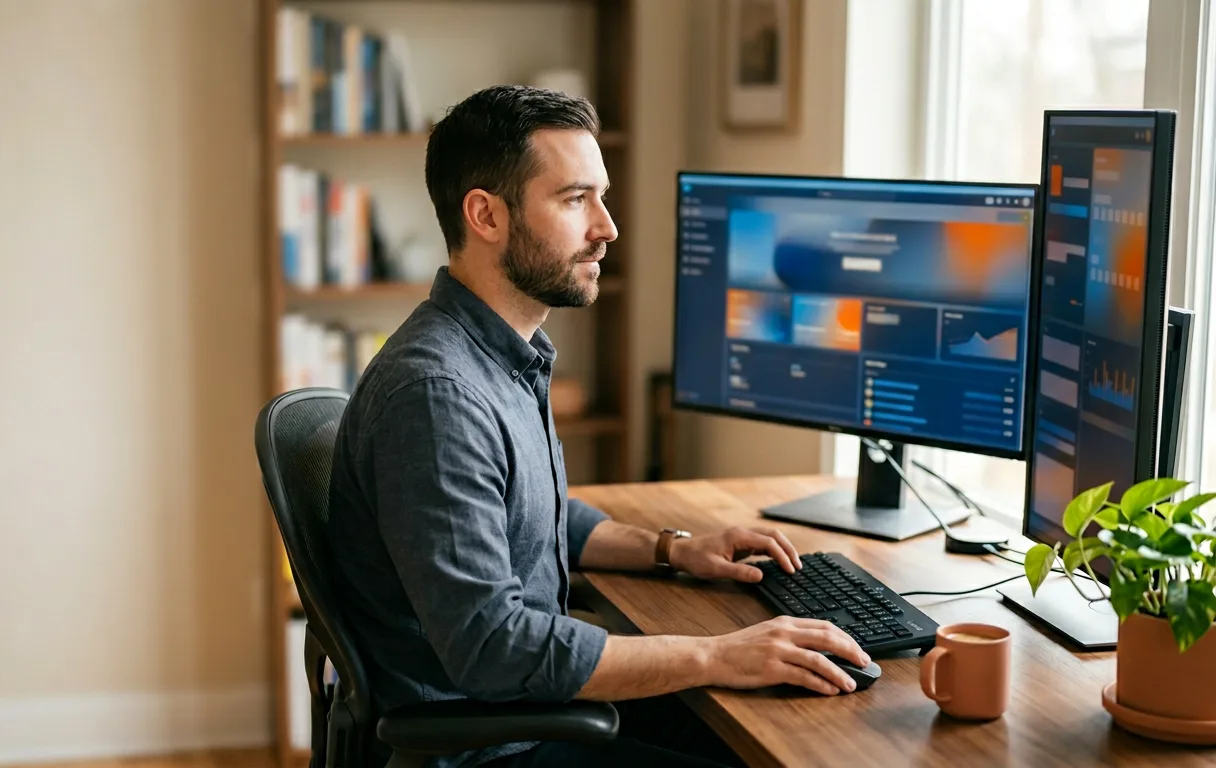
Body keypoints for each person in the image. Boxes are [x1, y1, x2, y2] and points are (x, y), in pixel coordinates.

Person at [327, 84, 868, 768]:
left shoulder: (499, 353)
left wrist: (674, 550)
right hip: (486, 746)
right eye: (575, 199)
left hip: (523, 713)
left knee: (786, 722)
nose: (607, 226)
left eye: (600, 196)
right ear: (486, 215)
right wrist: (715, 653)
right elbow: (493, 649)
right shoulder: (438, 395)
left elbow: (535, 514)